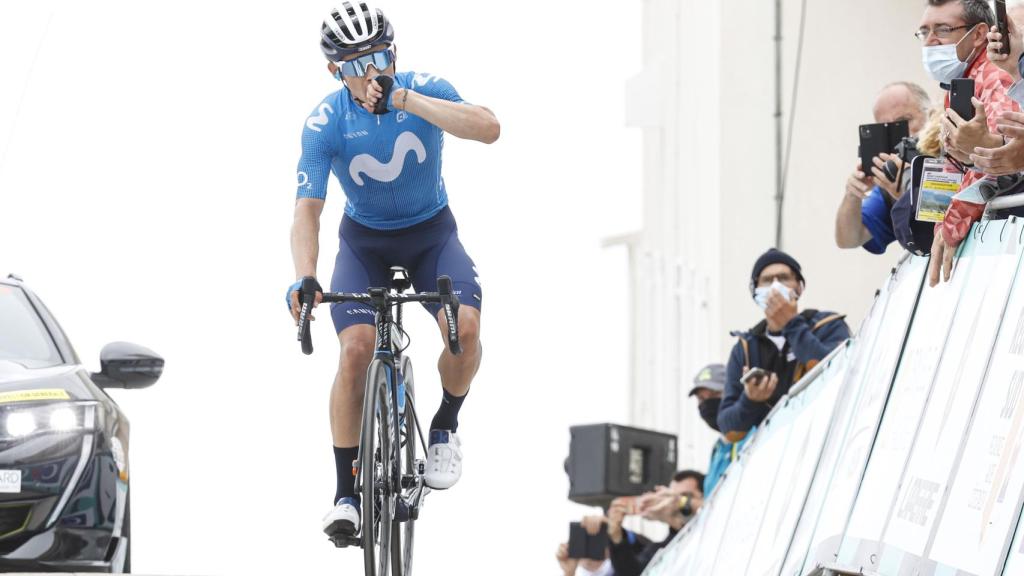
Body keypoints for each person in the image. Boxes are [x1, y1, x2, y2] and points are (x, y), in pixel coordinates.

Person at [285, 2, 500, 540]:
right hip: (365, 245)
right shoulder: (325, 121)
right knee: (356, 350)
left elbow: (489, 128)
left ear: (395, 52)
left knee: (465, 331)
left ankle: (446, 424)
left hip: (432, 235)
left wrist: (406, 99)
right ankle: (345, 495)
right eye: (357, 63)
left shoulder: (423, 87)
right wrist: (305, 276)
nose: (371, 71)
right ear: (335, 71)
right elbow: (306, 211)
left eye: (380, 56)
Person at [916, 0, 1019, 286]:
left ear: (978, 34)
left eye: (943, 30)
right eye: (924, 32)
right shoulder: (964, 80)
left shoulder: (993, 73)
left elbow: (998, 156)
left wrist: (951, 224)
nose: (930, 42)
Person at [717, 249, 850, 437]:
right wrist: (750, 400)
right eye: (767, 280)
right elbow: (728, 429)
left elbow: (835, 372)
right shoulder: (745, 349)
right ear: (755, 291)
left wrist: (790, 324)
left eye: (783, 278)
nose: (775, 286)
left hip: (825, 439)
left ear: (799, 287)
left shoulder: (828, 326)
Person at [836, 82, 932, 254]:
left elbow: (941, 224)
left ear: (929, 116)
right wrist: (853, 194)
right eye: (887, 128)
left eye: (904, 121)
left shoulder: (952, 159)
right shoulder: (888, 183)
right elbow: (848, 239)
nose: (901, 134)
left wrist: (903, 192)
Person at [689, 363, 749, 495]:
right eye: (701, 398)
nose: (706, 404)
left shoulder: (754, 435)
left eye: (715, 394)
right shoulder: (718, 449)